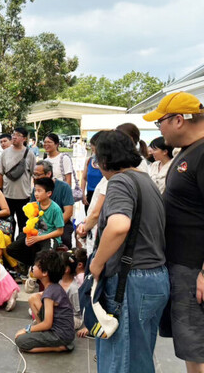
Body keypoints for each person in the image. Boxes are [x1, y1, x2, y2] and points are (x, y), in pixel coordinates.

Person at [89, 129, 169, 373]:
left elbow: (118, 226)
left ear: (104, 160)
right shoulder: (145, 180)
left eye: (95, 158)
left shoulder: (121, 181)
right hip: (154, 278)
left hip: (131, 280)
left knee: (119, 360)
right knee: (139, 357)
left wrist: (97, 263)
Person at [143, 92, 204, 373]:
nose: (160, 130)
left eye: (160, 123)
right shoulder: (188, 152)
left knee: (195, 341)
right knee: (190, 344)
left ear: (179, 120)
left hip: (193, 268)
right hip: (182, 264)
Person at [15, 250, 75, 353]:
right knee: (33, 298)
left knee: (20, 341)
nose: (33, 267)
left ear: (45, 273)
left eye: (36, 265)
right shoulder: (54, 287)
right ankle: (43, 334)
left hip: (60, 335)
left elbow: (47, 323)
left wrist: (27, 329)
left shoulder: (50, 293)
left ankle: (59, 347)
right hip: (66, 332)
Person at [7, 177, 64, 268]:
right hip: (35, 235)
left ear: (48, 193)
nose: (36, 194)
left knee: (46, 256)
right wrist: (28, 235)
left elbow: (60, 231)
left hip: (49, 237)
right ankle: (32, 266)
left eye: (39, 191)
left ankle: (37, 269)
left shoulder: (56, 209)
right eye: (35, 191)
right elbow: (31, 223)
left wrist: (40, 238)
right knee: (11, 249)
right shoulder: (34, 205)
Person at [0, 127, 36, 233]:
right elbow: (0, 173)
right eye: (13, 134)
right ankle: (8, 247)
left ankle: (21, 247)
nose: (14, 137)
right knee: (7, 225)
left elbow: (34, 174)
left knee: (23, 224)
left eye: (18, 135)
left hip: (24, 196)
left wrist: (35, 193)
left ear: (24, 138)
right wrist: (0, 190)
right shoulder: (5, 153)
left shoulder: (30, 154)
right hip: (7, 196)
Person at [31, 161, 74, 249]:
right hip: (41, 224)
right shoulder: (36, 189)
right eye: (34, 175)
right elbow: (32, 210)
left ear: (49, 174)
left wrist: (53, 228)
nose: (35, 178)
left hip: (61, 224)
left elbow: (68, 212)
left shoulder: (64, 187)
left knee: (65, 240)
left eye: (38, 175)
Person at [80, 133, 103, 213]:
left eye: (94, 150)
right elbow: (83, 178)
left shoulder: (107, 163)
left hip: (102, 195)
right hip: (90, 195)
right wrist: (82, 194)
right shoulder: (89, 160)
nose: (93, 152)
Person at [59, 252, 83, 329]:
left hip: (73, 318)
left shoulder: (73, 289)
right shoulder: (59, 281)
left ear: (66, 270)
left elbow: (77, 312)